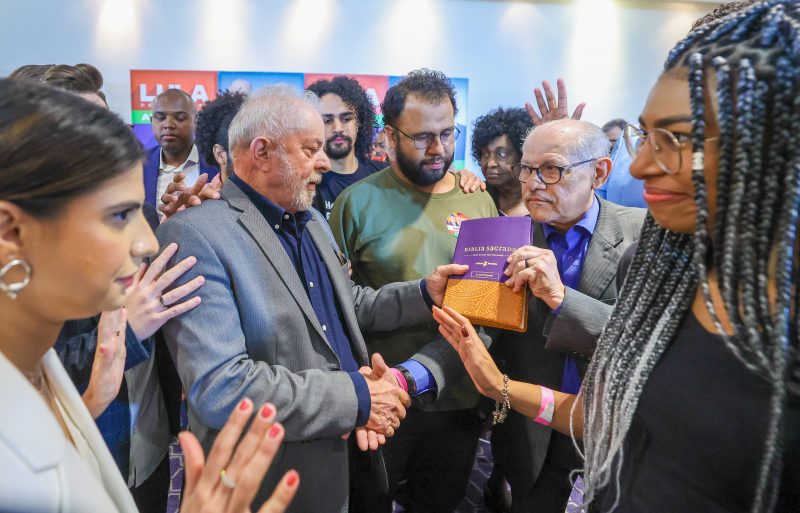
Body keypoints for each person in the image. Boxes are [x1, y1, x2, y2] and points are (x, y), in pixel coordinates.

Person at [433, 1, 800, 511]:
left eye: (676, 138)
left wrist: (562, 298)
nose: (645, 164)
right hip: (542, 447)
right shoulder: (637, 257)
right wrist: (476, 382)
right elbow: (610, 403)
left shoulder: (641, 238)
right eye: (644, 136)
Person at [156, 84, 467, 513]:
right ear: (261, 151)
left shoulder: (313, 220)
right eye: (310, 148)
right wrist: (357, 397)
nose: (325, 161)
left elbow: (348, 306)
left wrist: (422, 293)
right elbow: (222, 387)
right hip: (275, 479)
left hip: (354, 456)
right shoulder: (194, 234)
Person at [0, 78, 298, 513]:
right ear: (12, 231)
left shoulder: (40, 366)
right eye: (118, 216)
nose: (146, 242)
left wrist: (89, 404)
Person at [331, 68, 498, 513]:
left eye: (448, 134)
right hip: (380, 398)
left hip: (457, 399)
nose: (439, 149)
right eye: (423, 136)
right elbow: (340, 309)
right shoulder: (355, 204)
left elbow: (490, 304)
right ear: (389, 136)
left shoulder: (478, 200)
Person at [159, 90, 248, 219]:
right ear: (220, 154)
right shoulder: (201, 203)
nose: (262, 158)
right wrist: (177, 222)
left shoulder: (282, 201)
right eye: (249, 147)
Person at [143, 89, 218, 208]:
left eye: (180, 118)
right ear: (151, 121)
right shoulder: (137, 165)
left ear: (196, 121)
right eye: (160, 118)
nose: (168, 124)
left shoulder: (217, 163)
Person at [472, 107, 533, 217]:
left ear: (523, 156)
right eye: (485, 154)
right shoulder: (476, 197)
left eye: (502, 154)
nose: (490, 163)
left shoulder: (542, 200)